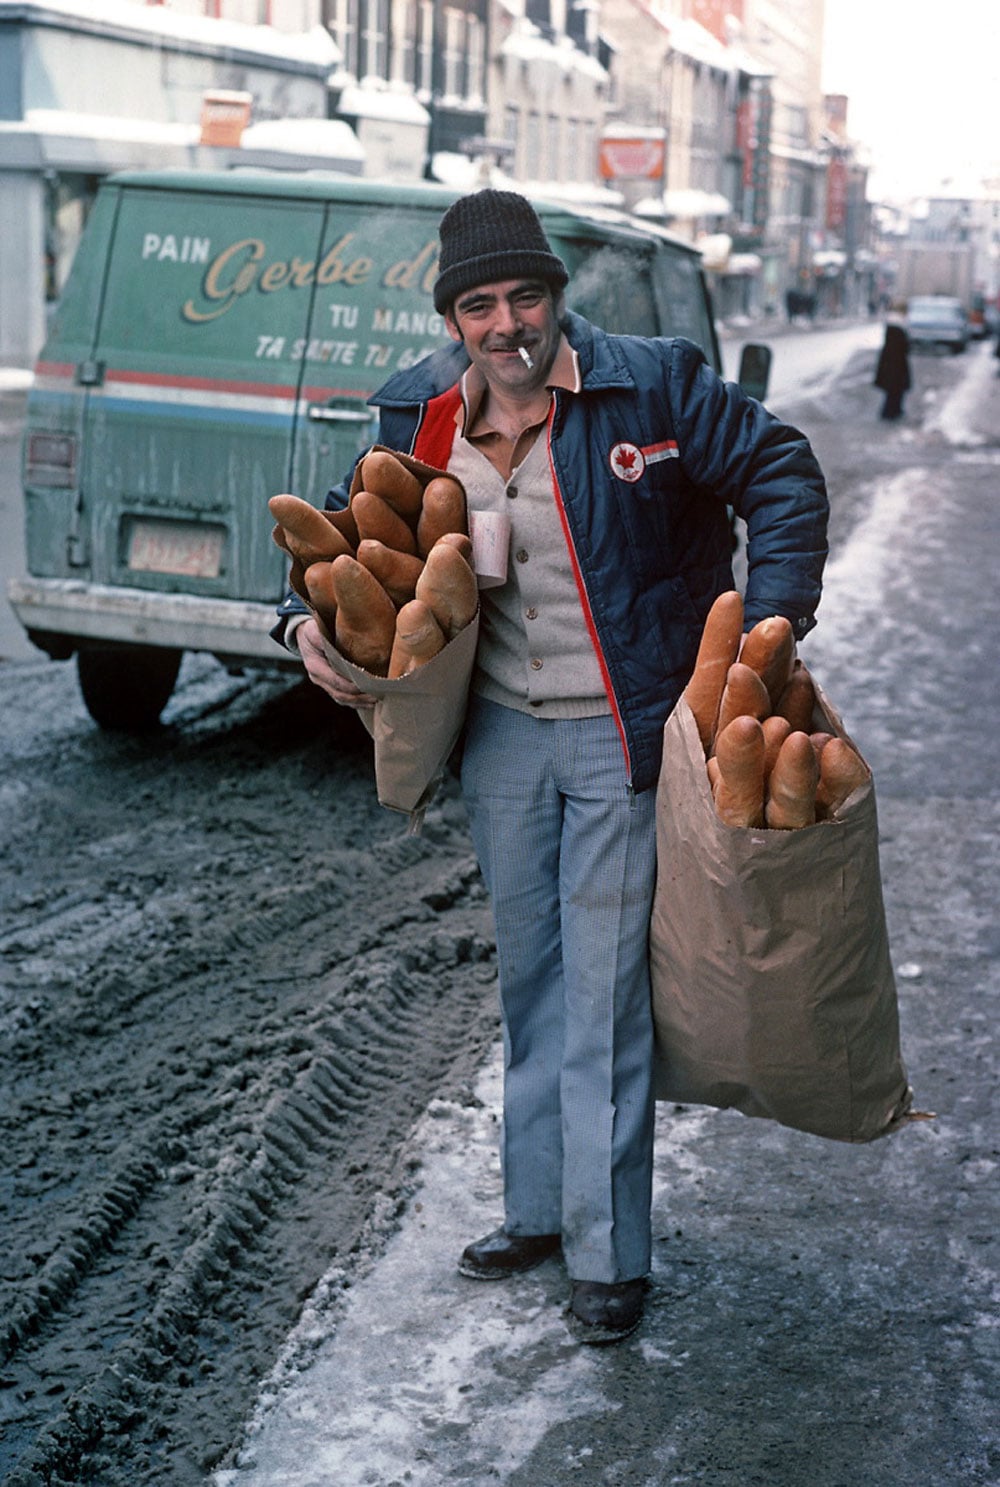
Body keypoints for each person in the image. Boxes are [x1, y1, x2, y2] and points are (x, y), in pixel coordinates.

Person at [274, 190, 829, 1345]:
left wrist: (768, 633)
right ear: (455, 317)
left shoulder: (653, 384)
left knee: (605, 994)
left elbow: (779, 469)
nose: (505, 323)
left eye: (525, 295)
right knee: (529, 975)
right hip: (502, 735)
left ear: (555, 297)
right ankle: (537, 1206)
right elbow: (336, 541)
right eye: (478, 304)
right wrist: (298, 632)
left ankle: (607, 1247)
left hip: (624, 731)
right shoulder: (418, 416)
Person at [874, 308, 911, 420]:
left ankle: (893, 411)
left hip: (892, 365)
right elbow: (904, 347)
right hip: (896, 366)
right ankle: (890, 412)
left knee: (894, 390)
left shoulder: (892, 329)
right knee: (895, 390)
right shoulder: (898, 330)